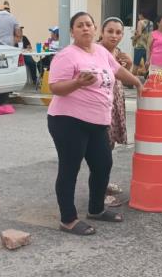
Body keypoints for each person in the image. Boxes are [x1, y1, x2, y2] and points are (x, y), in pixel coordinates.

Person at [46, 12, 143, 236]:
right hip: (68, 121)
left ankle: (96, 209)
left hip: (98, 122)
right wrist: (78, 83)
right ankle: (68, 219)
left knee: (102, 164)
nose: (85, 29)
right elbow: (55, 87)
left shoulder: (100, 51)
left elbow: (117, 70)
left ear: (94, 28)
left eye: (89, 25)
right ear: (72, 31)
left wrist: (137, 81)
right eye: (80, 26)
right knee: (70, 169)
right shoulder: (66, 55)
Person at [99, 17, 134, 208]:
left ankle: (103, 183)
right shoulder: (96, 51)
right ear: (102, 32)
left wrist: (128, 65)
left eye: (118, 32)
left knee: (109, 148)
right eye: (110, 31)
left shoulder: (118, 53)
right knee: (101, 150)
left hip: (116, 102)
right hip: (101, 105)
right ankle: (100, 191)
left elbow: (125, 79)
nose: (114, 35)